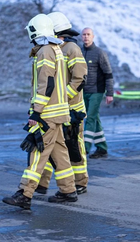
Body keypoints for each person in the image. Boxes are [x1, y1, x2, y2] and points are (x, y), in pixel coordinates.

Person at [2, 14, 77, 209]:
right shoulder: (56, 49)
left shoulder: (44, 51)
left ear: (35, 31)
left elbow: (46, 84)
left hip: (48, 115)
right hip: (59, 112)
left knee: (37, 153)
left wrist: (36, 113)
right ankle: (68, 190)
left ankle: (24, 194)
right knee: (60, 153)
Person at [35, 12, 89, 195]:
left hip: (73, 108)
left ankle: (80, 182)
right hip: (57, 109)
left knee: (73, 145)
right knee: (53, 147)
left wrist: (63, 97)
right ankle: (42, 183)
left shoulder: (72, 48)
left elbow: (80, 79)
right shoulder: (53, 48)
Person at [81, 27, 114, 159]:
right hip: (83, 91)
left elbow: (108, 74)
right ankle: (102, 148)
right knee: (95, 119)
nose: (86, 37)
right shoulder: (79, 52)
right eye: (84, 35)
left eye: (88, 34)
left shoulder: (100, 53)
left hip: (97, 91)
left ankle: (85, 148)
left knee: (90, 118)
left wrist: (109, 93)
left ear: (93, 36)